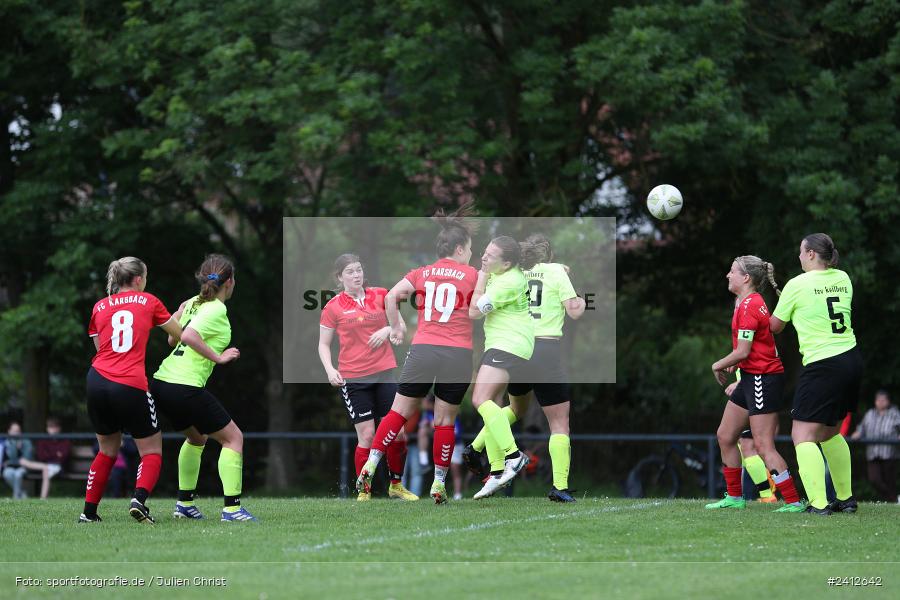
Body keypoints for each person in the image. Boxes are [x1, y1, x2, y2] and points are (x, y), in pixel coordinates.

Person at [355, 205, 478, 503]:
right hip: (458, 352)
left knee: (398, 412)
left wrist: (396, 326)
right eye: (471, 249)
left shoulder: (422, 273)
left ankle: (371, 463)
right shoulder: (474, 275)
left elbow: (390, 297)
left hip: (423, 348)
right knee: (445, 421)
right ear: (460, 248)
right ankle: (438, 483)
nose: (472, 254)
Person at [464, 233, 585, 502]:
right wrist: (580, 297)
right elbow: (575, 311)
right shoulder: (555, 271)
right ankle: (559, 487)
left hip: (518, 349)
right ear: (549, 255)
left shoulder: (506, 273)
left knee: (514, 409)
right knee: (559, 422)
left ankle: (477, 446)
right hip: (546, 349)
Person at [152, 254, 257, 521]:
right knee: (234, 439)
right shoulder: (216, 308)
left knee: (197, 438)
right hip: (184, 385)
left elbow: (170, 339)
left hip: (162, 383)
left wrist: (179, 312)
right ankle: (232, 509)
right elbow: (187, 336)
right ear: (230, 282)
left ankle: (185, 505)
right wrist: (219, 357)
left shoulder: (194, 303)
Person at [81, 257, 182, 523]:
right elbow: (177, 334)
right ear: (138, 279)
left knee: (106, 450)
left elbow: (99, 346)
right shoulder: (148, 300)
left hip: (97, 380)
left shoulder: (100, 306)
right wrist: (181, 312)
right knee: (150, 451)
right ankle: (138, 500)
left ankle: (88, 513)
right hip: (129, 383)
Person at [771, 233, 863, 515]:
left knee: (802, 435)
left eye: (801, 252)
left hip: (823, 365)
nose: (799, 257)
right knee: (831, 432)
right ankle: (845, 500)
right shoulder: (843, 278)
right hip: (851, 360)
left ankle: (819, 504)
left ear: (811, 254)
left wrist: (779, 301)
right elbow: (819, 305)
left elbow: (775, 326)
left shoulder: (796, 285)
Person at [705, 256, 803, 511]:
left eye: (732, 271)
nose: (728, 275)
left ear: (746, 278)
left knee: (762, 445)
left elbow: (744, 350)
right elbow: (753, 346)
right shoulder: (745, 302)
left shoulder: (750, 305)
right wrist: (735, 363)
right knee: (725, 436)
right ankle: (735, 498)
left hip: (763, 379)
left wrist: (719, 363)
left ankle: (793, 501)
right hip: (750, 377)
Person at [319, 253, 416, 501]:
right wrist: (330, 370)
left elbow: (400, 327)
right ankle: (365, 490)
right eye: (350, 272)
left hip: (384, 372)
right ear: (339, 277)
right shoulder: (333, 307)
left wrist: (387, 329)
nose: (356, 275)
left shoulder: (382, 295)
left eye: (359, 270)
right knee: (368, 435)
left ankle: (396, 485)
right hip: (353, 379)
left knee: (398, 432)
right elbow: (323, 345)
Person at [468, 236, 538, 499]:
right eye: (484, 252)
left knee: (480, 399)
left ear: (506, 262)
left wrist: (481, 278)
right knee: (503, 409)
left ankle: (514, 455)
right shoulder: (508, 273)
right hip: (518, 348)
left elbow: (474, 312)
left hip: (506, 346)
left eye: (490, 255)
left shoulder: (506, 281)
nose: (484, 258)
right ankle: (497, 473)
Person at [851, 390, 900, 502]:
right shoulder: (870, 414)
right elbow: (861, 428)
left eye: (883, 400)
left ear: (888, 401)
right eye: (878, 400)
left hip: (889, 453)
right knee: (874, 479)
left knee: (890, 480)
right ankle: (893, 499)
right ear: (875, 401)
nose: (880, 402)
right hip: (873, 453)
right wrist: (857, 433)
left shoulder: (894, 413)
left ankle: (891, 501)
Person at [35, 416, 72, 498]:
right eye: (51, 427)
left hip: (60, 467)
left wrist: (49, 455)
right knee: (46, 469)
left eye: (55, 427)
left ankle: (43, 498)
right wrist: (56, 454)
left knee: (46, 470)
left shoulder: (65, 441)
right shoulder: (43, 440)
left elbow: (64, 457)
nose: (53, 430)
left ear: (59, 428)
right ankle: (43, 498)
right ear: (47, 429)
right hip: (45, 465)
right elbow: (41, 456)